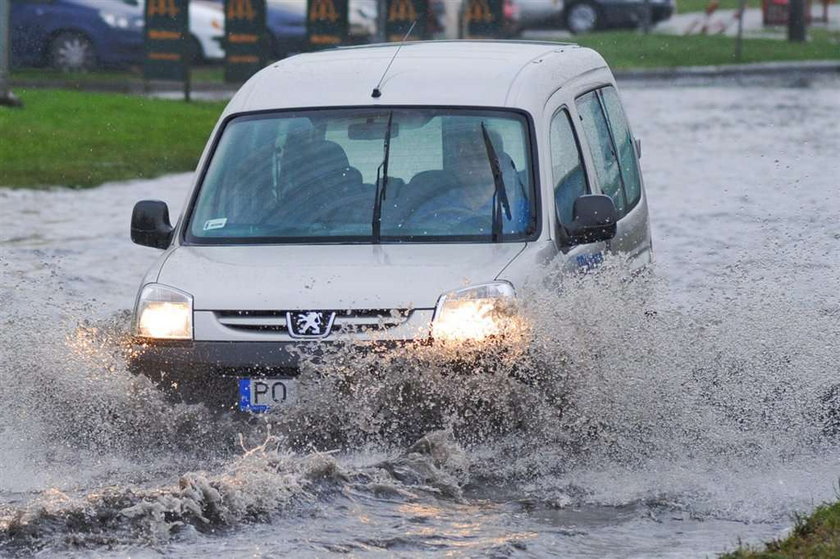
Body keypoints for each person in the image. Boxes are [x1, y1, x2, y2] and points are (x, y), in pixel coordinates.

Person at [403, 125, 531, 236]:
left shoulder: (520, 208)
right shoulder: (432, 208)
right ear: (456, 163)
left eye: (481, 157)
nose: (473, 163)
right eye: (466, 157)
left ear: (501, 161)